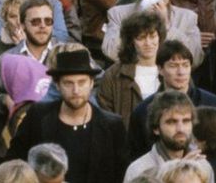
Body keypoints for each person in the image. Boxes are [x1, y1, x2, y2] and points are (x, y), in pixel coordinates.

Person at [7, 49, 129, 183]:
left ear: (91, 84)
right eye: (68, 83)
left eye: (81, 82)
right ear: (58, 85)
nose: (76, 90)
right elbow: (14, 163)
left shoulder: (112, 125)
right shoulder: (38, 116)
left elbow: (121, 174)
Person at [124, 90, 214, 182]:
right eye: (171, 122)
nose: (180, 129)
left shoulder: (203, 166)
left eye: (186, 121)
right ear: (156, 128)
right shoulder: (138, 170)